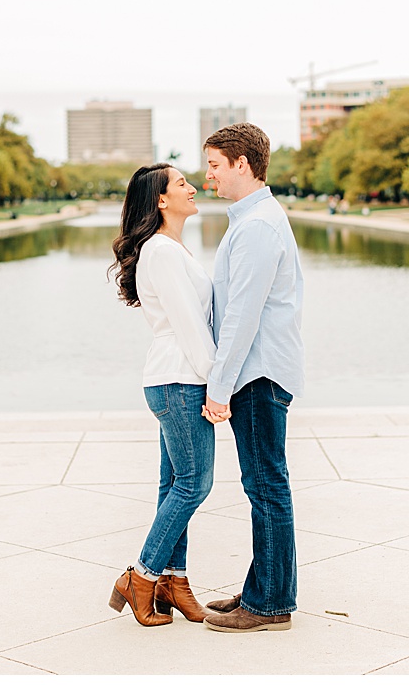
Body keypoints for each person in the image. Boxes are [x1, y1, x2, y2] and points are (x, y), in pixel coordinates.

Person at [107, 163, 229, 627]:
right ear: (160, 199)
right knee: (194, 484)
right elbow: (191, 327)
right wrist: (217, 385)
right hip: (180, 379)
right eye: (181, 183)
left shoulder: (170, 249)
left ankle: (172, 583)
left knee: (173, 486)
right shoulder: (162, 251)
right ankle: (140, 576)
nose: (193, 187)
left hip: (172, 379)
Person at [198, 122, 305, 634]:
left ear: (243, 164)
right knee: (264, 485)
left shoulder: (259, 225)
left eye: (215, 165)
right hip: (257, 371)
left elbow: (242, 314)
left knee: (266, 487)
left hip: (257, 374)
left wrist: (219, 389)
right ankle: (265, 586)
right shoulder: (252, 219)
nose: (208, 175)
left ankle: (270, 605)